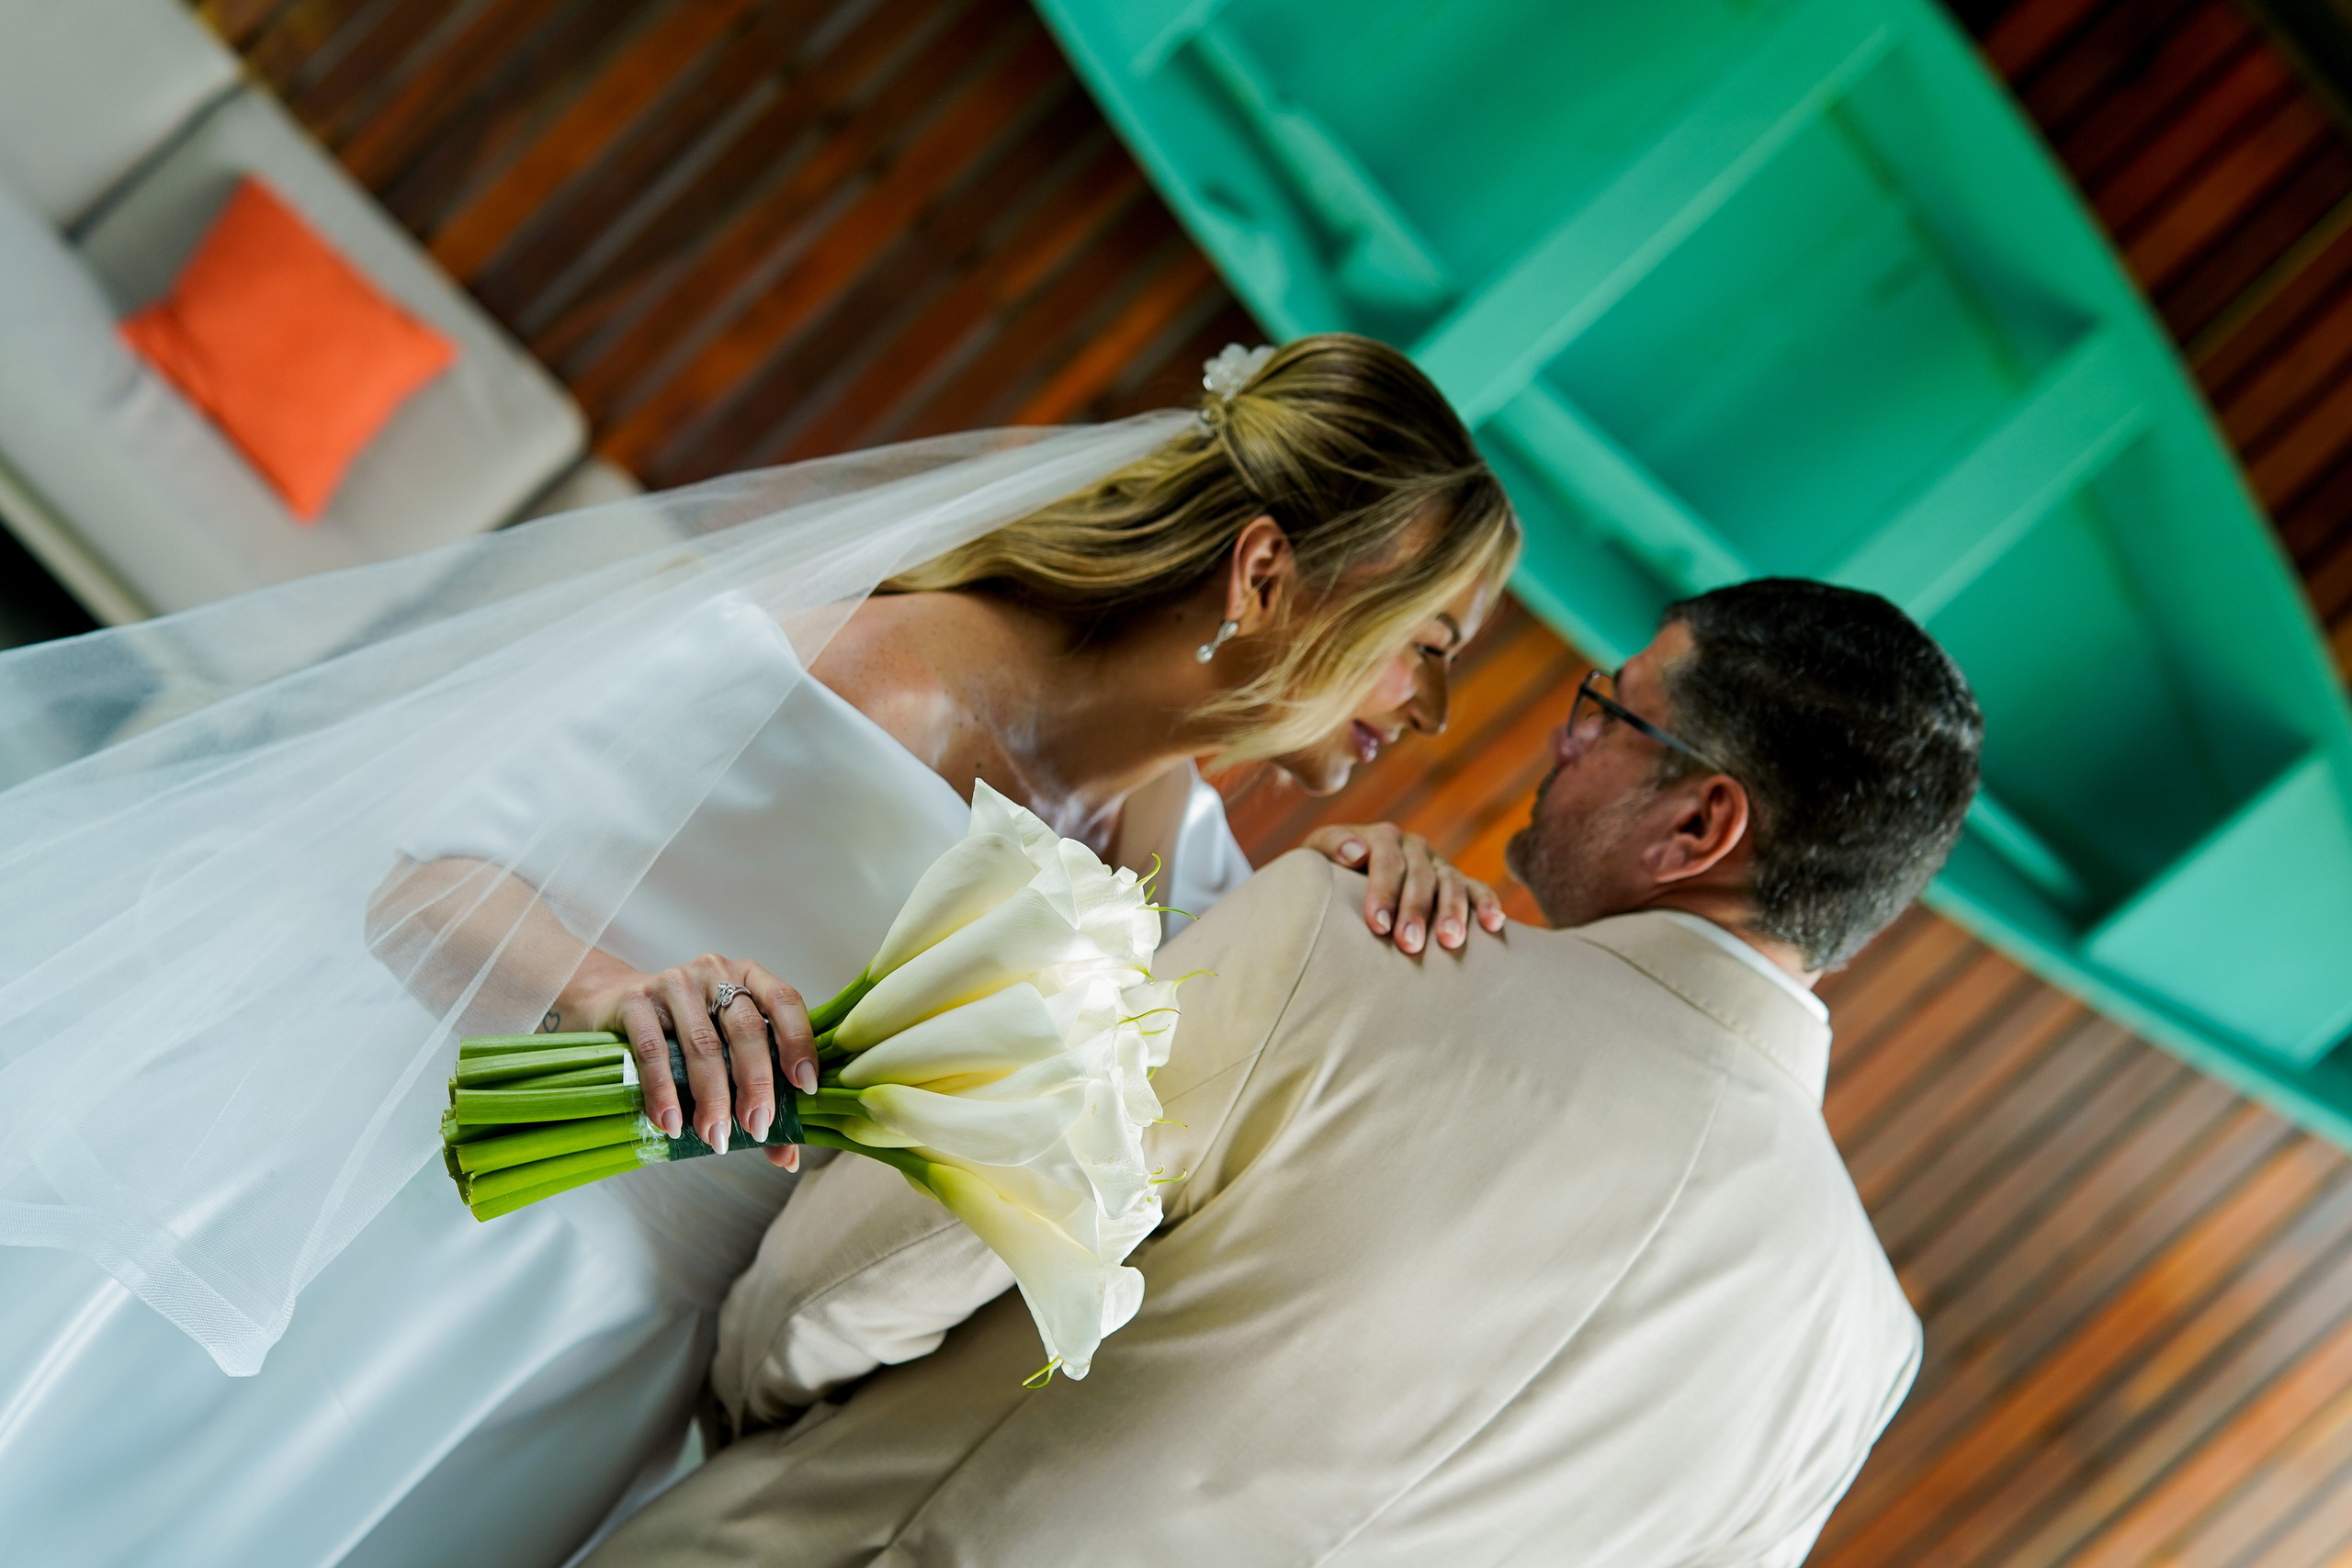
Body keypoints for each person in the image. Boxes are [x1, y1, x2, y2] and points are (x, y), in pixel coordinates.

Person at [0, 335, 1516, 1567]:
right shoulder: (844, 659)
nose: (1428, 716)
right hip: (450, 1238)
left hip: (636, 1378)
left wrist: (1354, 878)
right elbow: (419, 882)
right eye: (1426, 646)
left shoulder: (1181, 855)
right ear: (1265, 579)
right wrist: (607, 991)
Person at [586, 577, 1984, 1568]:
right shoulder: (1859, 1356)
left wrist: (757, 1412)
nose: (1565, 744)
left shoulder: (1350, 946)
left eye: (1606, 713)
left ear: (1700, 821)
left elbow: (860, 1271)